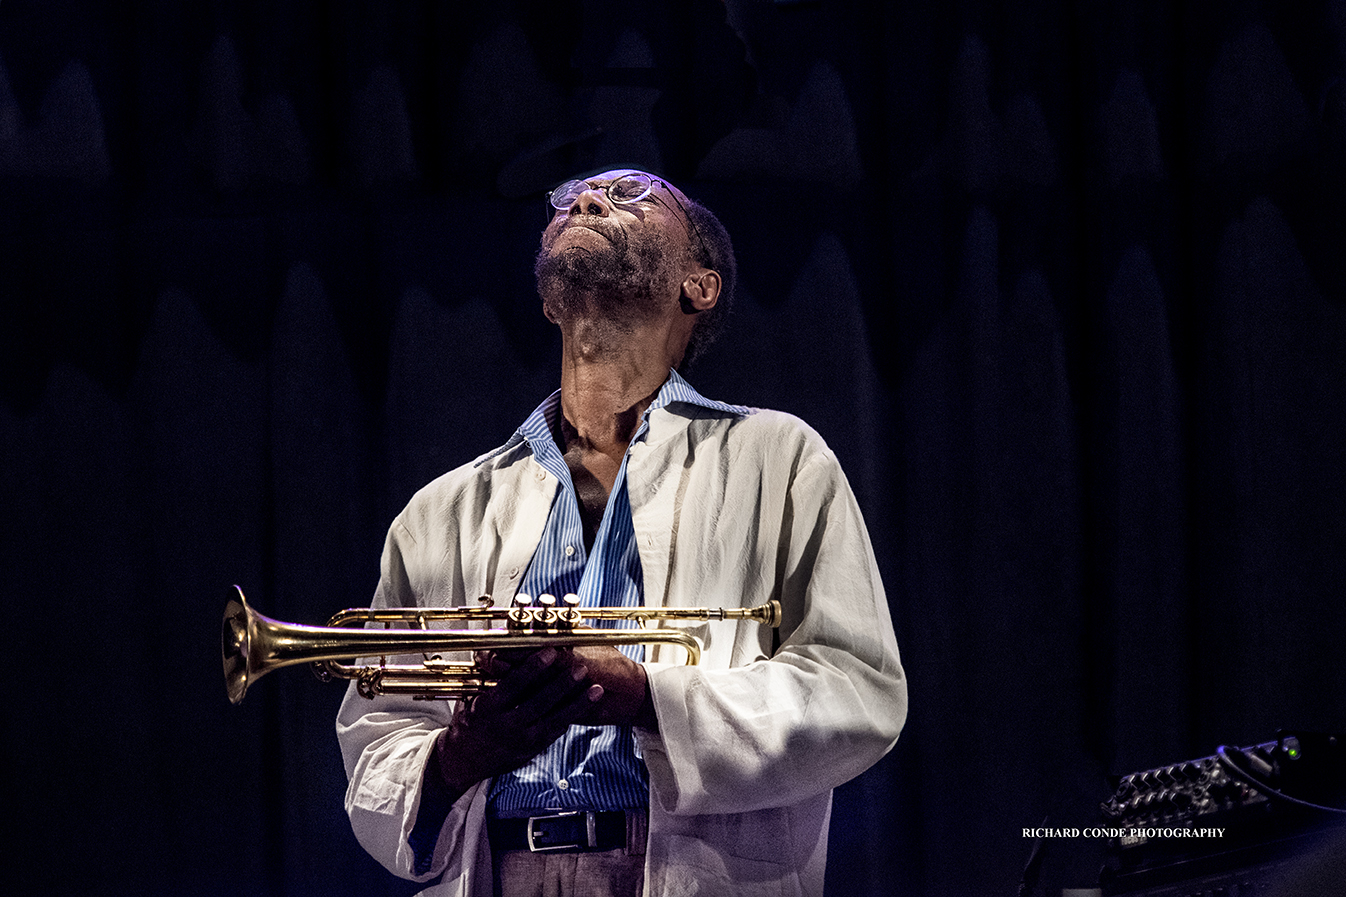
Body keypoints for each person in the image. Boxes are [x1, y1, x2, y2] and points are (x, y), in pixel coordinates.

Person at [336, 168, 906, 897]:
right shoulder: (439, 509)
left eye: (636, 196)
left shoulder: (781, 458)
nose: (587, 200)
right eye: (570, 199)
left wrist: (645, 695)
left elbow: (857, 691)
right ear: (548, 301)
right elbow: (375, 739)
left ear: (699, 286)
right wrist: (456, 755)